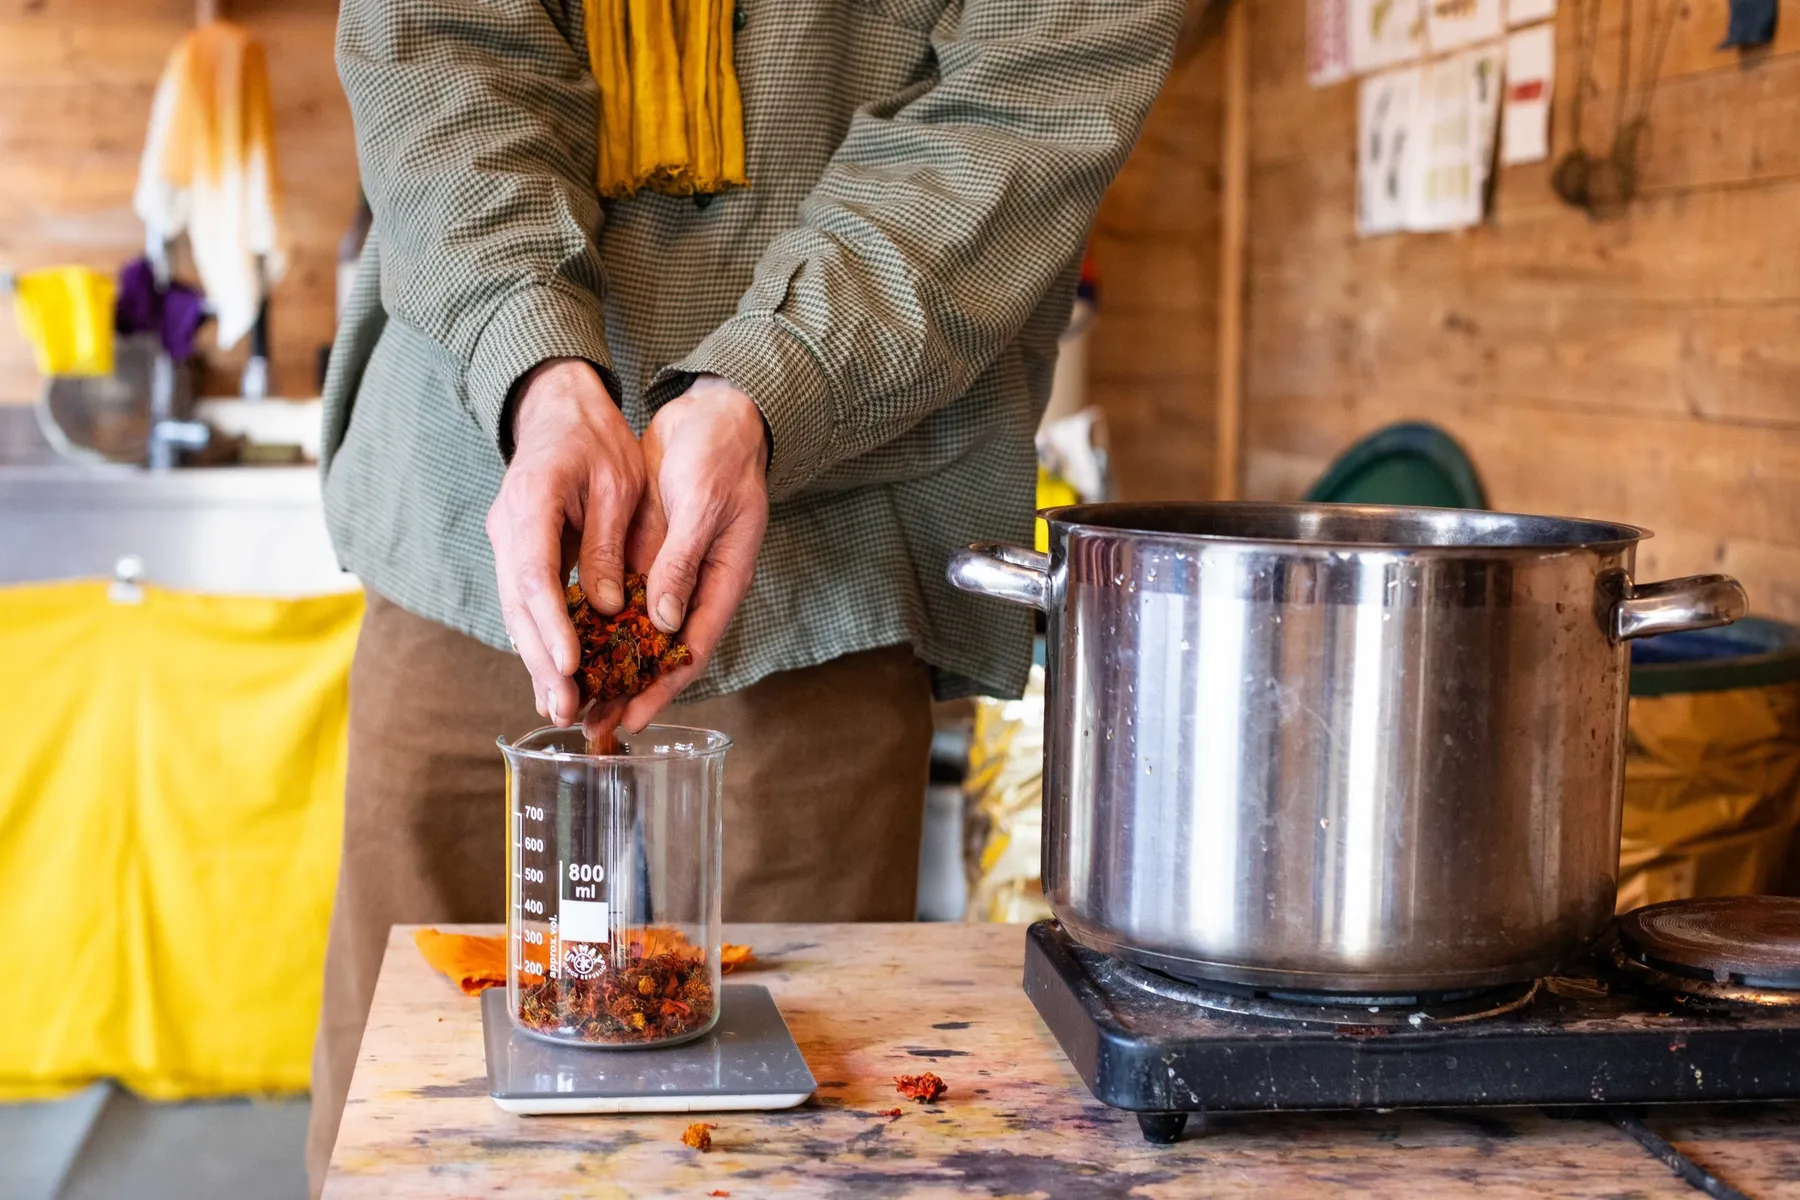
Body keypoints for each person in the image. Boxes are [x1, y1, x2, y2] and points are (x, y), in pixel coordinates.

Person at [305, 0, 1181, 1188]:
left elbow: (1025, 107)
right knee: (412, 1121)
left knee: (796, 1136)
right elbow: (438, 46)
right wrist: (531, 364)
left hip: (833, 527)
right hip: (481, 492)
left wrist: (769, 386)